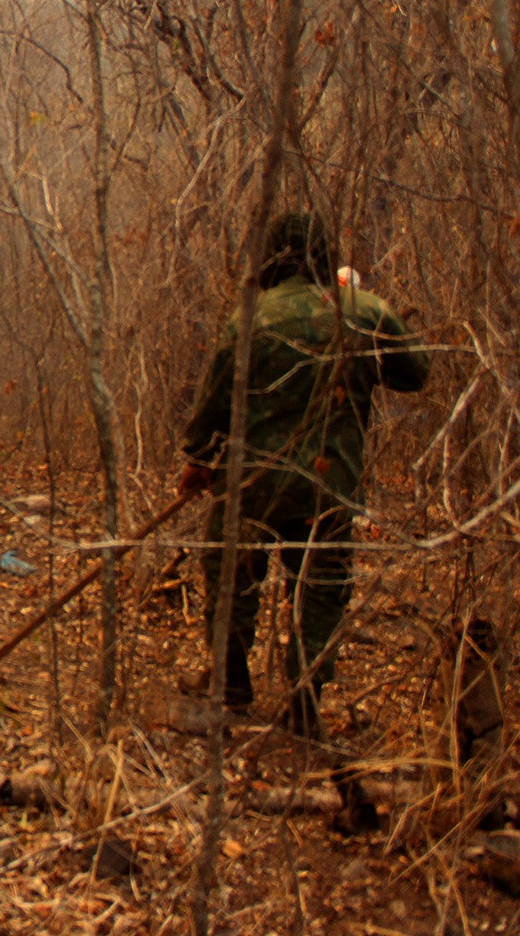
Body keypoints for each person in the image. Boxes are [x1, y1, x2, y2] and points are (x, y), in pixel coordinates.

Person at [176, 211, 429, 736]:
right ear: (323, 254)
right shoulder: (361, 311)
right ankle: (305, 696)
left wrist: (198, 458)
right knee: (320, 586)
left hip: (253, 483)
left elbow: (216, 396)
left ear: (268, 257)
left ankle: (232, 680)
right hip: (329, 485)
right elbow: (415, 373)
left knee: (231, 576)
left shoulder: (251, 317)